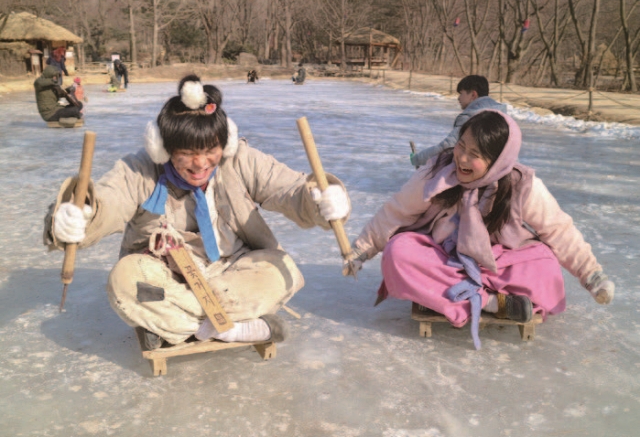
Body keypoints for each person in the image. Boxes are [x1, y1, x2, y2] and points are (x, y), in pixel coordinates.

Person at [44, 75, 351, 350]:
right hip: (168, 275)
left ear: (225, 143)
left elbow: (289, 190)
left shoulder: (241, 160)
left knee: (280, 269)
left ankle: (178, 325)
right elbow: (109, 201)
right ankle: (231, 328)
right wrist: (79, 216)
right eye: (187, 153)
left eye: (210, 150)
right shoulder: (140, 169)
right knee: (126, 281)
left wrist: (318, 200)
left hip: (232, 270)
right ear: (163, 148)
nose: (201, 163)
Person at [344, 110, 614, 349]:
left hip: (499, 261)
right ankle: (492, 303)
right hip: (444, 256)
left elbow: (559, 231)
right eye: (461, 145)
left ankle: (441, 294)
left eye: (474, 154)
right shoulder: (438, 171)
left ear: (498, 160)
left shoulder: (521, 184)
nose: (461, 158)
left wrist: (592, 275)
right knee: (399, 252)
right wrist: (361, 250)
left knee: (546, 267)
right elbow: (397, 210)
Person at [411, 75, 506, 168]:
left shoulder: (473, 117)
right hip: (500, 171)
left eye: (461, 93)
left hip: (475, 173)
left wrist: (418, 159)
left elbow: (448, 147)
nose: (459, 98)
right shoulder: (503, 114)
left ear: (473, 94)